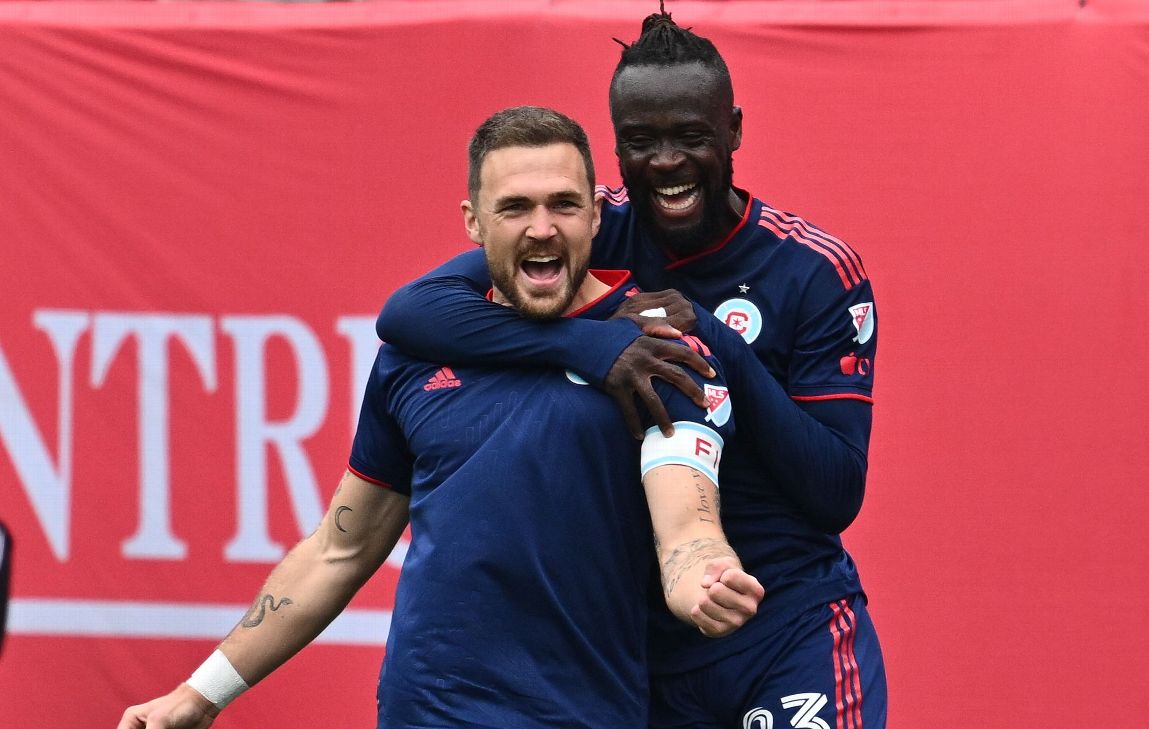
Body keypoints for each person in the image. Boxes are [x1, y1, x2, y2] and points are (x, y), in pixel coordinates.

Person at [117, 106, 764, 729]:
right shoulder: (416, 353)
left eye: (563, 204)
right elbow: (340, 548)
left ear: (596, 214)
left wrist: (700, 580)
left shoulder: (658, 352)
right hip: (423, 713)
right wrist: (200, 693)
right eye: (515, 207)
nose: (542, 227)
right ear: (474, 223)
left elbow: (686, 527)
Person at [375, 9, 886, 728]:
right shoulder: (593, 225)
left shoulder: (812, 269)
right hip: (645, 653)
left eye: (691, 137)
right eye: (641, 142)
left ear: (733, 132)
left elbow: (836, 490)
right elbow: (409, 311)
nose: (667, 162)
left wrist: (711, 339)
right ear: (616, 147)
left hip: (782, 625)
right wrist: (586, 346)